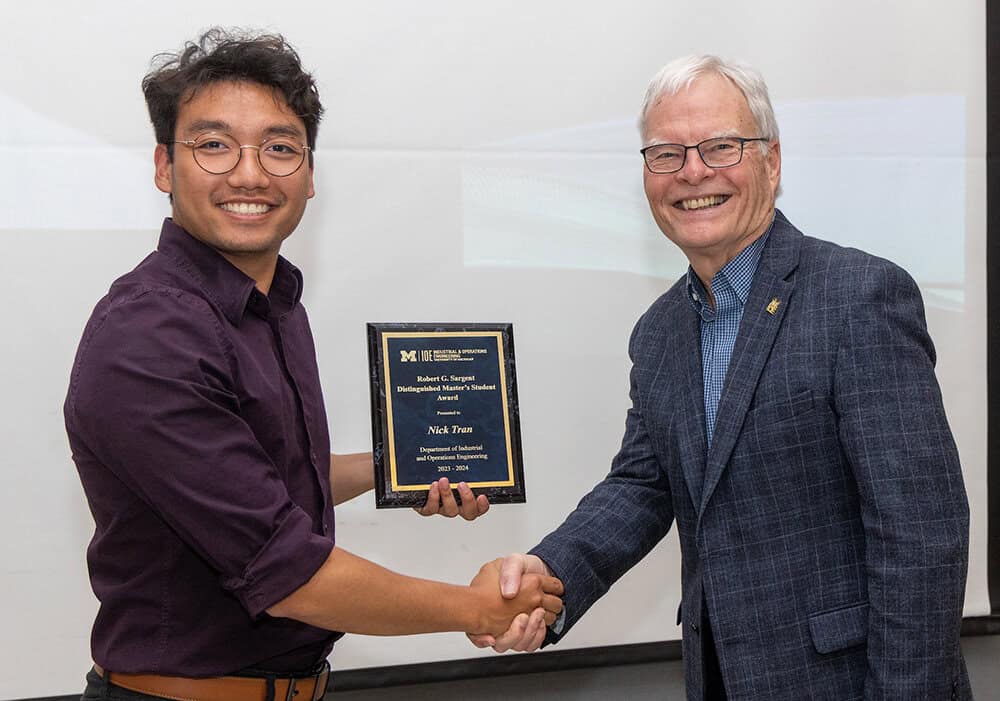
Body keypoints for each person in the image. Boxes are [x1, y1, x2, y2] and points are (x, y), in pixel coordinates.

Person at [65, 29, 562, 701]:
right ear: (163, 166)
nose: (249, 173)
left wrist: (402, 470)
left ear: (309, 172)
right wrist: (478, 608)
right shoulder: (151, 334)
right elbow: (285, 569)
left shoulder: (273, 304)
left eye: (279, 147)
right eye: (213, 145)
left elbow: (264, 479)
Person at [471, 55, 972, 700]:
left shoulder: (859, 296)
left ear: (772, 159)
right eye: (666, 154)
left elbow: (922, 531)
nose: (693, 173)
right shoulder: (658, 334)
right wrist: (546, 575)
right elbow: (642, 487)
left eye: (720, 146)